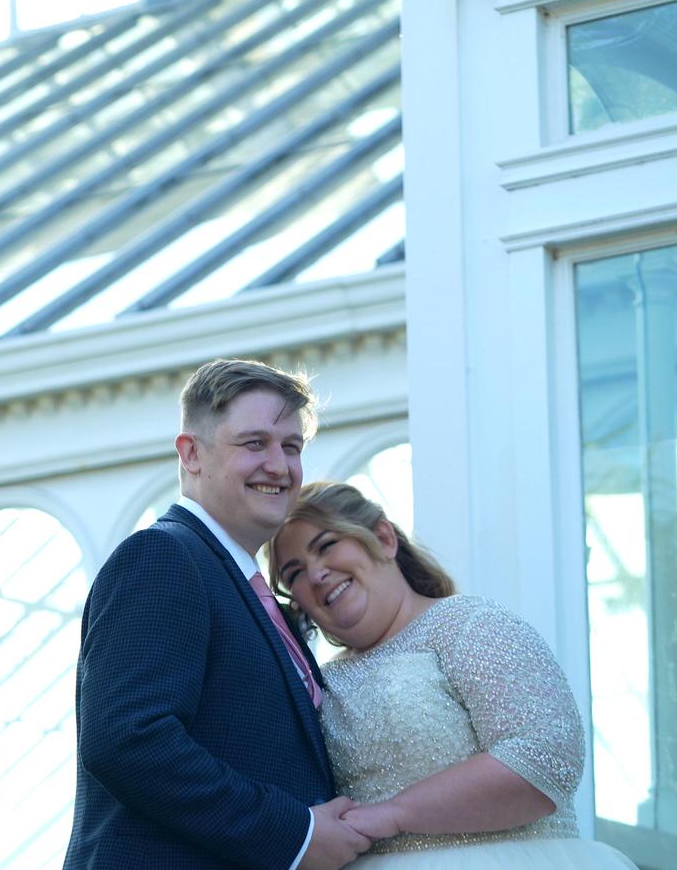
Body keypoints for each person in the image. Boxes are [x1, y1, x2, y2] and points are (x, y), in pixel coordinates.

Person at [64, 359, 372, 870]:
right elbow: (128, 739)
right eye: (254, 444)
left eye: (291, 447)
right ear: (191, 453)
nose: (279, 466)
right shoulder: (162, 556)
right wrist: (295, 834)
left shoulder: (254, 594)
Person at [267, 482, 638, 868]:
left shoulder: (468, 624)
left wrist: (394, 814)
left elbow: (546, 758)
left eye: (327, 546)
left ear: (384, 538)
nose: (316, 574)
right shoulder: (317, 685)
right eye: (295, 573)